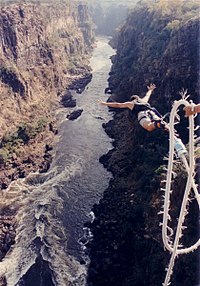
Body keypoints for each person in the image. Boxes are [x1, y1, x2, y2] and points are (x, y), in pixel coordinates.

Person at [99, 83, 168, 132]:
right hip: (151, 111)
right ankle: (164, 125)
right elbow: (147, 95)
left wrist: (105, 103)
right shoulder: (143, 101)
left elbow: (118, 105)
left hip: (142, 115)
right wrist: (151, 89)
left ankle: (157, 124)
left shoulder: (131, 103)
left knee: (148, 127)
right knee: (161, 122)